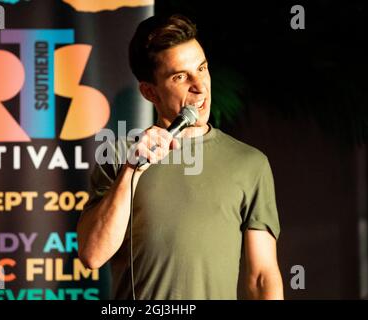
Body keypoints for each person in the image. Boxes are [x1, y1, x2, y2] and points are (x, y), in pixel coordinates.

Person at [77, 13, 283, 300]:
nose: (200, 86)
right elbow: (92, 255)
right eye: (180, 77)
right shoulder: (119, 154)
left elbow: (262, 277)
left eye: (202, 68)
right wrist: (131, 171)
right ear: (150, 92)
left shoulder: (250, 163)